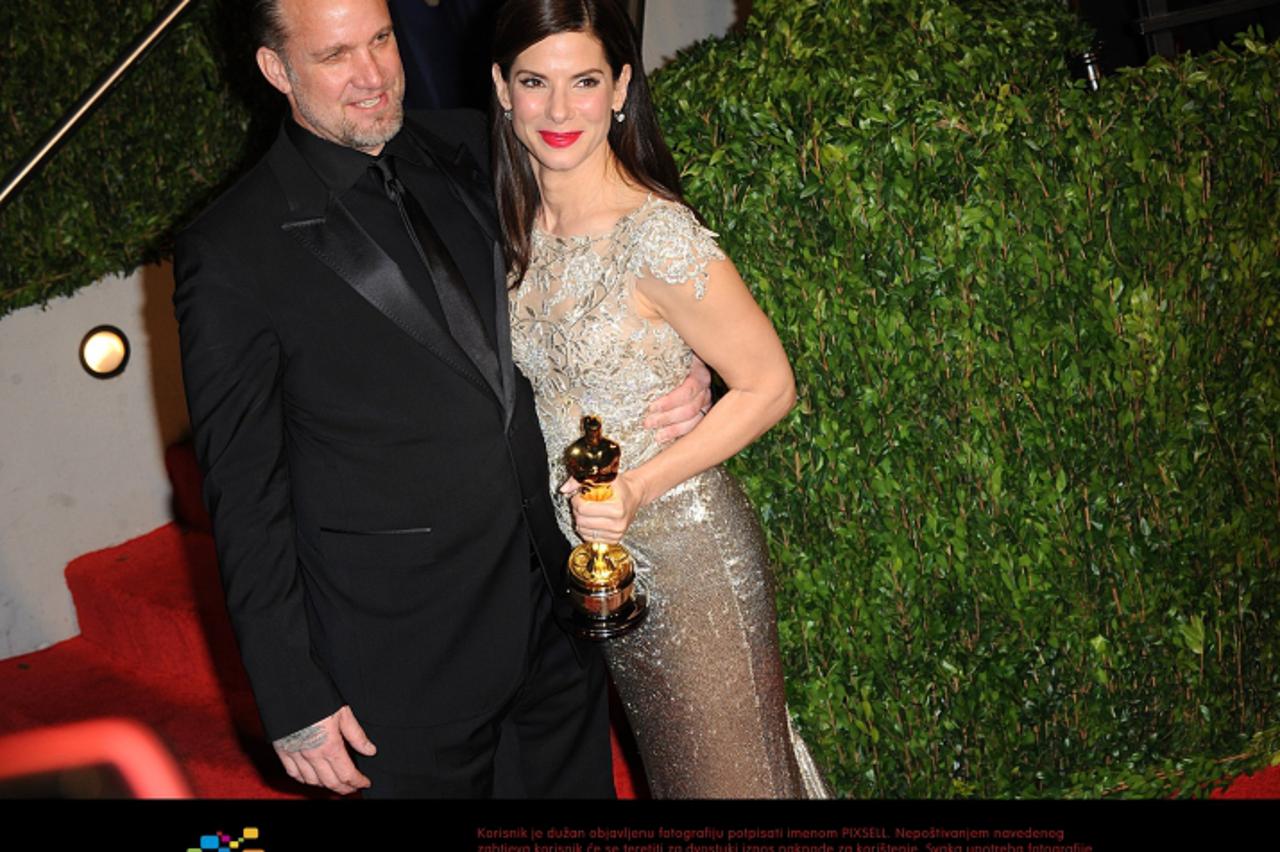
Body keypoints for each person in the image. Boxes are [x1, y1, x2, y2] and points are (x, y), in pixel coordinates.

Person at [173, 0, 707, 798]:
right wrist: (290, 694)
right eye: (336, 55)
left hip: (555, 608)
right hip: (400, 656)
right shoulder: (231, 249)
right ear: (276, 69)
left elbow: (605, 257)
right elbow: (244, 491)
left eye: (382, 39)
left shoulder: (477, 144)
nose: (372, 74)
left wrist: (682, 361)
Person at [490, 0, 828, 797]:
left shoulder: (656, 234)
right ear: (502, 89)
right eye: (535, 82)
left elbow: (771, 384)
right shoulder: (510, 224)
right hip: (598, 565)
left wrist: (638, 486)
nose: (560, 110)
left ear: (620, 88)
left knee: (731, 782)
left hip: (688, 550)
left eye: (585, 81)